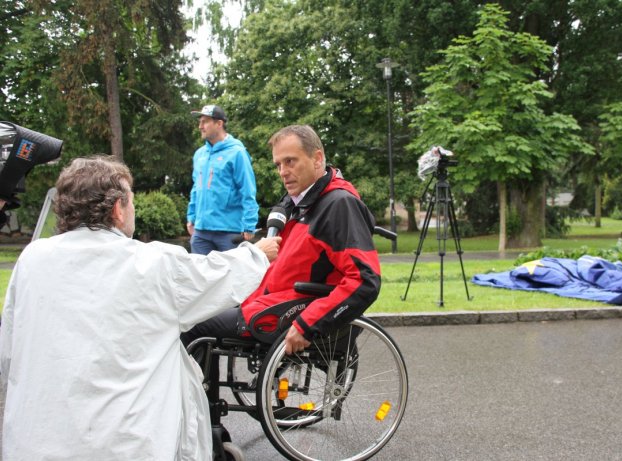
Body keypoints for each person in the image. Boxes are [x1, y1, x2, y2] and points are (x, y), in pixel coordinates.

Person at [0, 156, 280, 460]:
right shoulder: (150, 263)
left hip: (33, 443)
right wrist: (257, 254)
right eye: (131, 201)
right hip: (124, 446)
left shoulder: (32, 259)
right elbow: (217, 274)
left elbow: (9, 351)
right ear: (118, 209)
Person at [181, 124, 381, 355]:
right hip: (268, 298)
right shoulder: (301, 202)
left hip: (286, 310)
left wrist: (308, 324)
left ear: (317, 159)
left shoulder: (338, 205)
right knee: (195, 306)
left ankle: (193, 391)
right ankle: (201, 389)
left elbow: (365, 281)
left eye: (290, 161)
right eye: (278, 164)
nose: (282, 172)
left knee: (191, 323)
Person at [187, 104, 259, 255]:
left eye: (205, 121)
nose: (200, 126)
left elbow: (248, 190)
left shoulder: (237, 153)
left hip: (229, 232)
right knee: (199, 276)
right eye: (199, 122)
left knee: (233, 277)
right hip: (201, 232)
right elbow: (196, 188)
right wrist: (191, 217)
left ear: (219, 123)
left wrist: (249, 224)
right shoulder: (199, 155)